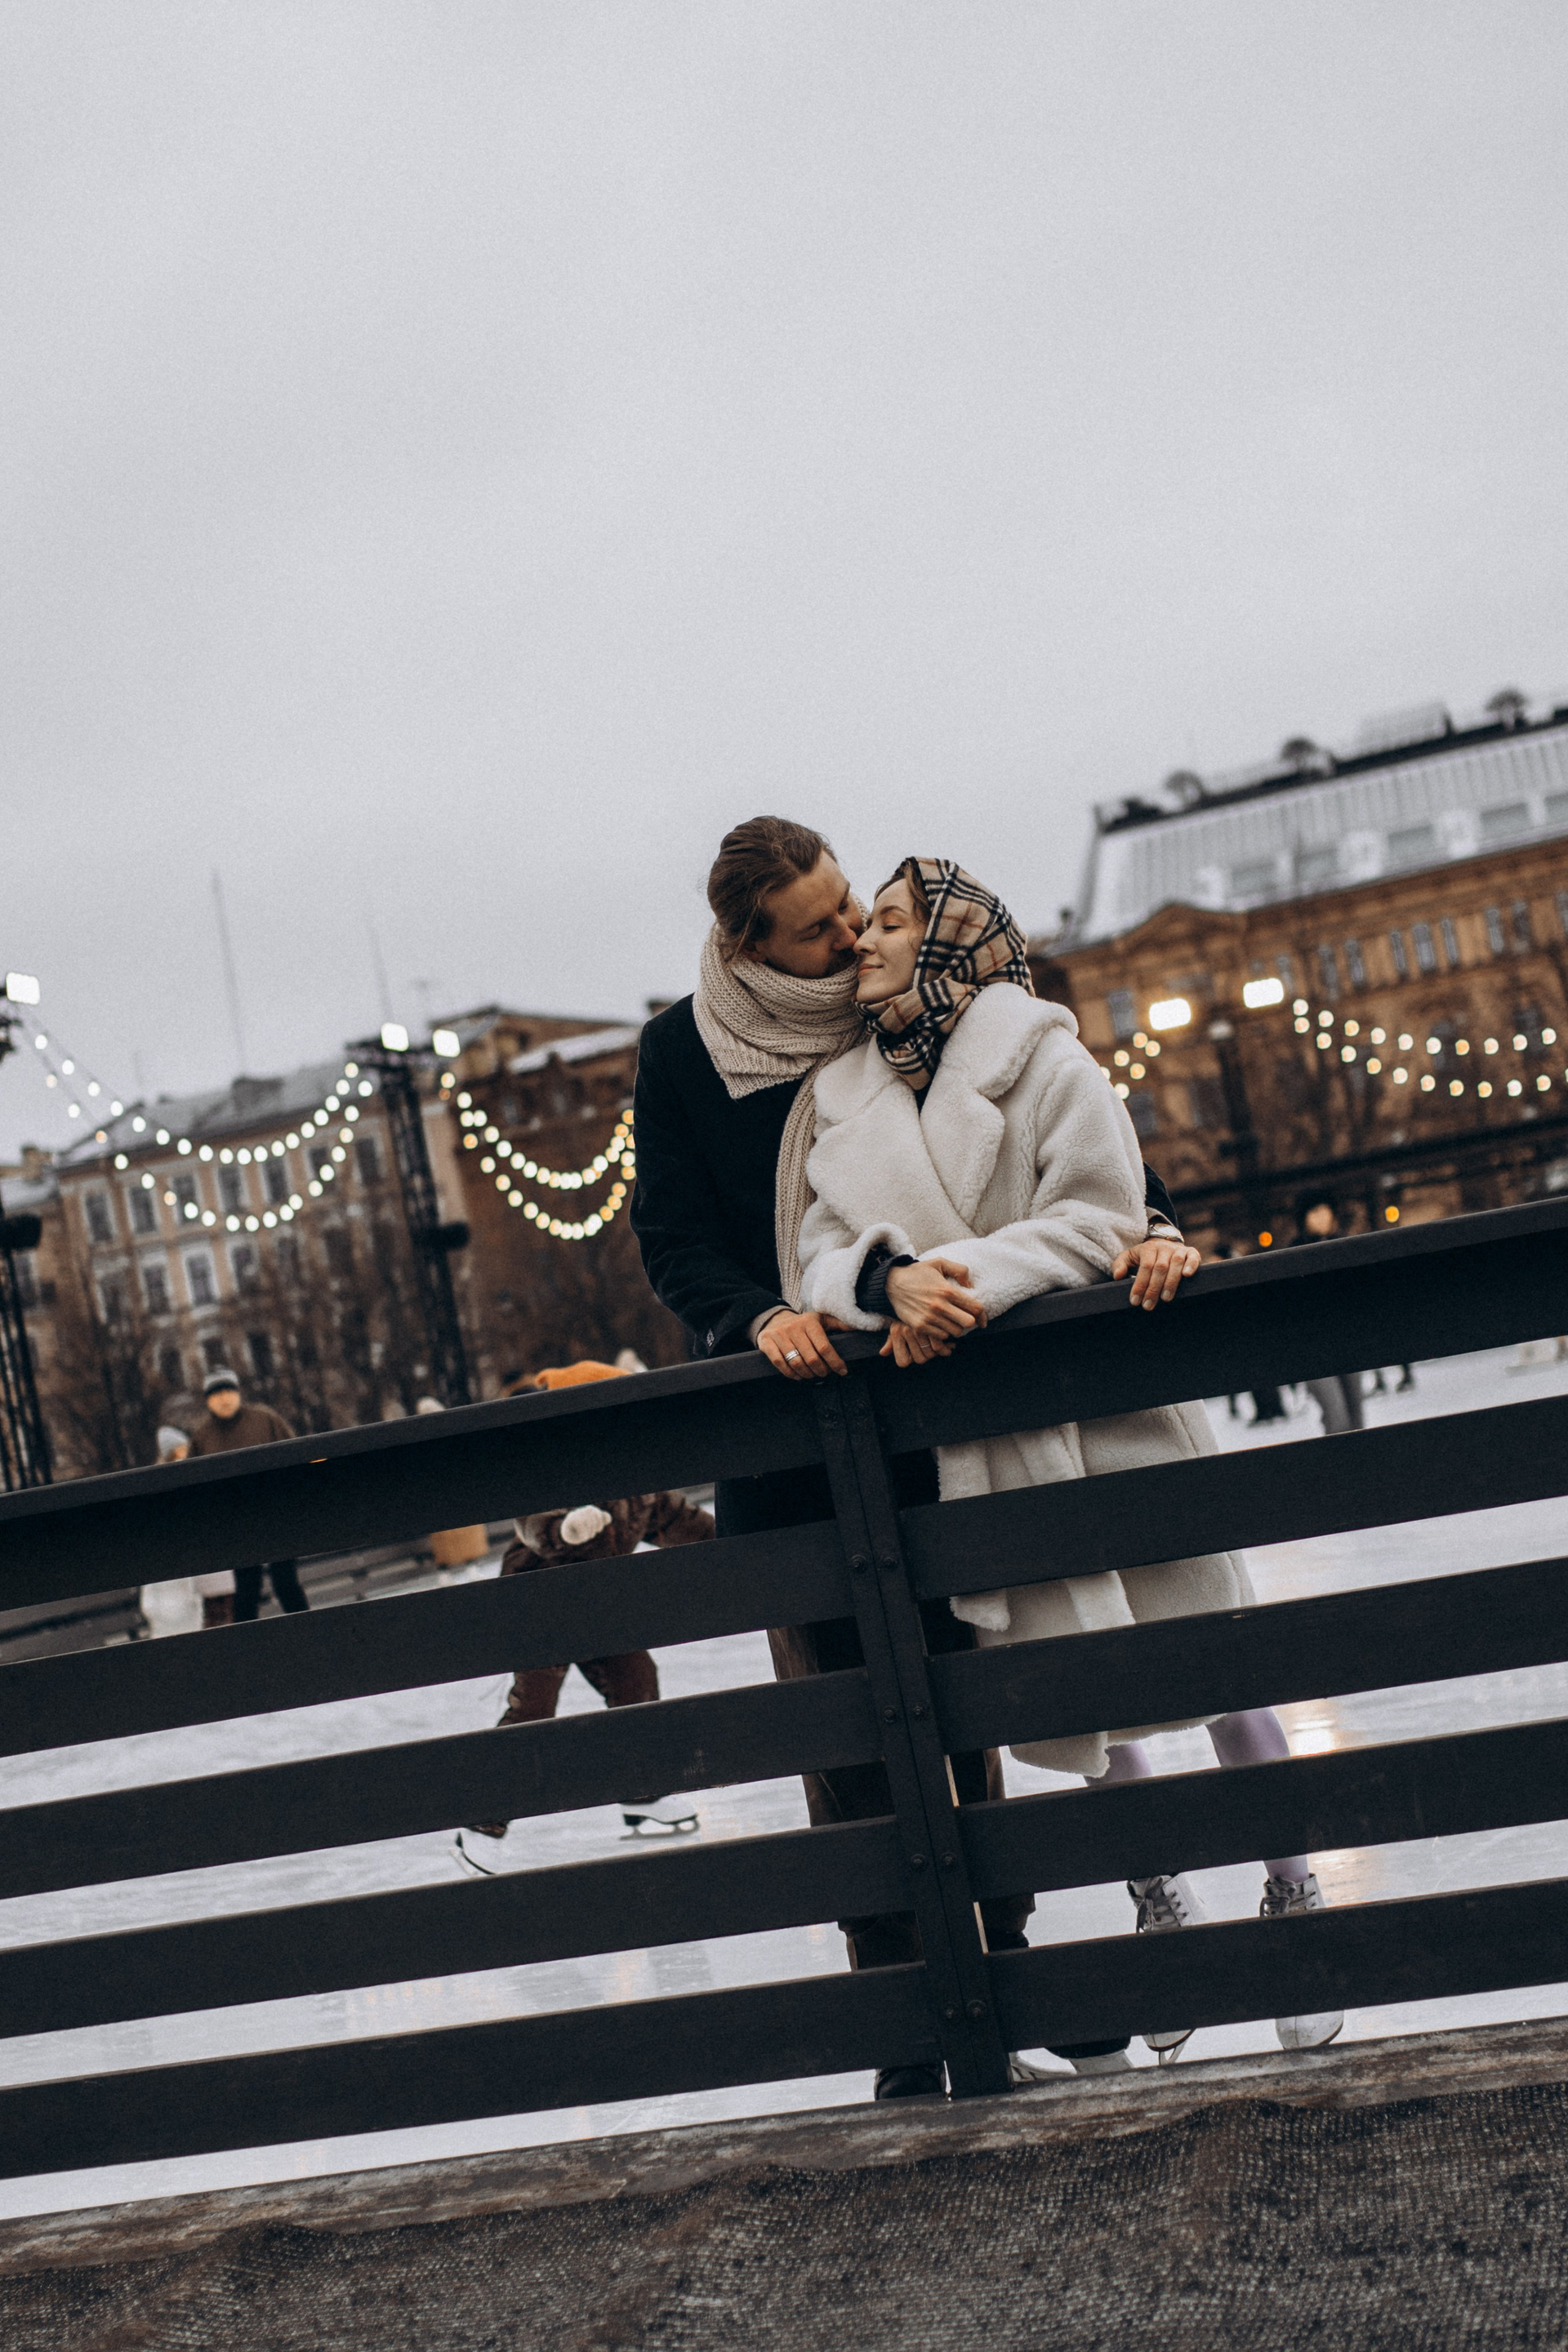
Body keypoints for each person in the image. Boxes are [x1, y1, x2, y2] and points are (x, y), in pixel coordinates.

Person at [630, 817, 1202, 2100]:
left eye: (851, 908)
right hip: (791, 1435)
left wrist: (1155, 1221)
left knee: (962, 1706)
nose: (848, 940)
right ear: (748, 944)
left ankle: (1004, 1979)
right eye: (817, 929)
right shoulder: (683, 1054)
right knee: (845, 1737)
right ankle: (899, 2016)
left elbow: (1042, 1131)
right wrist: (757, 1315)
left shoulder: (886, 1004)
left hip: (928, 1416)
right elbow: (672, 1240)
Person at [794, 858, 1341, 2070]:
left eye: (891, 923)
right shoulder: (847, 1096)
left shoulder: (1044, 1057)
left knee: (1214, 1655)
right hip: (994, 1442)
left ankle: (1294, 1891)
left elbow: (1102, 1213)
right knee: (1087, 1679)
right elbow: (817, 1252)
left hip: (1107, 1411)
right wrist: (885, 1280)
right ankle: (1159, 1899)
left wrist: (957, 1285)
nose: (864, 941)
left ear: (950, 946)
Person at [455, 1359, 715, 1876]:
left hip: (599, 1606)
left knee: (636, 1681)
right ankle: (481, 1825)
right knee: (534, 1710)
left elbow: (682, 1522)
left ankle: (643, 1795)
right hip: (540, 1607)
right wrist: (568, 1528)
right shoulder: (553, 1469)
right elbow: (534, 1524)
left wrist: (732, 1540)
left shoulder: (639, 1485)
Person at [185, 1369, 310, 1623]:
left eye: (229, 1391)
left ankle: (309, 1630)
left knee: (285, 1582)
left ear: (238, 1393)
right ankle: (248, 1640)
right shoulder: (203, 1436)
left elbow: (296, 1455)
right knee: (247, 1588)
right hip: (237, 1523)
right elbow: (192, 1483)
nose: (224, 1399)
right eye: (217, 1394)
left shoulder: (264, 1419)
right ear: (208, 1400)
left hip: (276, 1513)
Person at [1294, 1194, 1366, 1436]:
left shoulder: (1344, 1245)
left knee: (1357, 1415)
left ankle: (1361, 1458)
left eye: (1325, 1210)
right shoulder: (1293, 1252)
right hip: (1312, 1348)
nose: (1321, 1217)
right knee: (1336, 1416)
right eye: (1314, 1212)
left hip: (1347, 1340)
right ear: (1304, 1218)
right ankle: (1339, 1458)